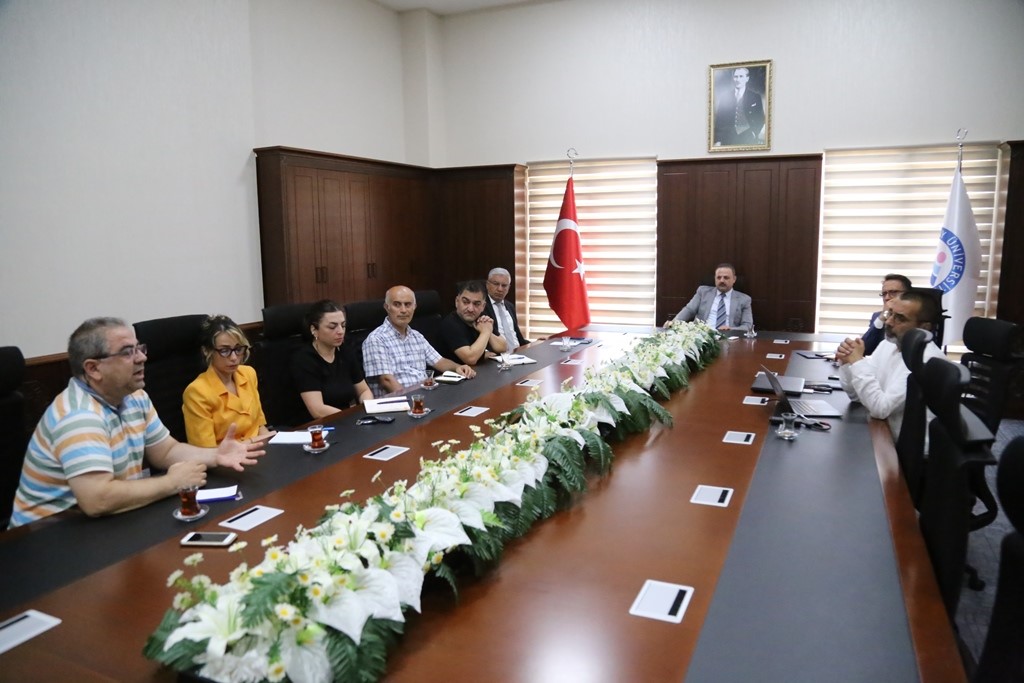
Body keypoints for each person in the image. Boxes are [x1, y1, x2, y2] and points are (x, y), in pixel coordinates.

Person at [9, 317, 267, 528]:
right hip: (46, 536)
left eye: (139, 348)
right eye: (127, 353)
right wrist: (171, 483)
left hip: (99, 522)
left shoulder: (135, 397)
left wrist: (216, 455)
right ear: (93, 369)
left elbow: (166, 451)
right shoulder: (78, 415)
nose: (142, 358)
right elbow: (97, 500)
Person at [836, 290, 944, 439]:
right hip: (883, 432)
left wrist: (857, 362)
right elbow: (858, 397)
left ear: (924, 327)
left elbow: (881, 409)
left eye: (900, 318)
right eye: (890, 313)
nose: (888, 322)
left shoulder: (925, 360)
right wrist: (847, 363)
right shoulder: (888, 345)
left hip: (902, 445)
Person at [362, 285, 476, 395]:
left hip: (423, 395)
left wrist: (457, 367)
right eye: (397, 304)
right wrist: (412, 401)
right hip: (398, 402)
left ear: (414, 307)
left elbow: (440, 362)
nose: (403, 310)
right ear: (387, 307)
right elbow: (386, 381)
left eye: (408, 304)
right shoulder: (376, 339)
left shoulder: (417, 336)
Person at [182, 315, 270, 447]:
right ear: (206, 351)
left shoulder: (248, 373)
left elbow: (260, 426)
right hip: (225, 458)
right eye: (224, 351)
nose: (234, 357)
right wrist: (252, 444)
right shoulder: (197, 392)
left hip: (259, 450)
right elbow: (206, 451)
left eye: (238, 349)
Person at [290, 300, 373, 419]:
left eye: (343, 325)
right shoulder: (304, 359)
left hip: (347, 419)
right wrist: (351, 418)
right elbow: (317, 410)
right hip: (317, 424)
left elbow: (363, 391)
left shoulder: (345, 351)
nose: (340, 331)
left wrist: (367, 409)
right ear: (314, 329)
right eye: (332, 327)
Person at [439, 280, 508, 365]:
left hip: (477, 370)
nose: (470, 309)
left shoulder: (481, 318)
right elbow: (470, 359)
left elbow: (502, 347)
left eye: (476, 304)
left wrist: (488, 332)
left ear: (483, 306)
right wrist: (485, 332)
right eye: (465, 302)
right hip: (455, 372)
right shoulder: (450, 324)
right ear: (457, 301)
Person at [672, 263, 753, 333]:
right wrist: (674, 323)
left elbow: (747, 325)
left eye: (726, 278)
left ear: (734, 279)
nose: (722, 280)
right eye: (718, 277)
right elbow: (689, 310)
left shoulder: (744, 299)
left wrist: (731, 329)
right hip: (702, 336)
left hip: (729, 337)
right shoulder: (703, 292)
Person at [714, 67, 765, 146]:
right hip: (727, 137)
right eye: (736, 76)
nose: (738, 79)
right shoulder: (725, 97)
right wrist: (718, 140)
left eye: (741, 76)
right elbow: (719, 121)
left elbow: (760, 118)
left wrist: (754, 133)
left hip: (748, 137)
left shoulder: (755, 97)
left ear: (747, 78)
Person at [862, 274, 912, 355]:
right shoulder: (877, 316)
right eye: (884, 294)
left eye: (893, 292)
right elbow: (865, 349)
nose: (887, 298)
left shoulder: (912, 317)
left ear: (908, 294)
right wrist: (882, 317)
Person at [483, 267, 530, 349]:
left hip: (518, 352)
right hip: (497, 353)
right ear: (487, 285)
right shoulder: (481, 306)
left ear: (508, 288)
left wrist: (536, 343)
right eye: (496, 284)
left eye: (504, 285)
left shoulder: (510, 306)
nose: (500, 289)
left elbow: (518, 338)